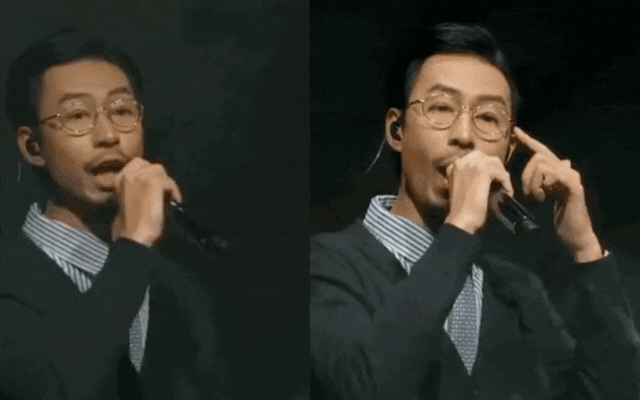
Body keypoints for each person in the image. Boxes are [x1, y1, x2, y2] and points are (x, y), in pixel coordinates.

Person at [310, 23, 640, 399]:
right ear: (397, 130)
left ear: (508, 151)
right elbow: (364, 389)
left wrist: (585, 248)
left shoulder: (515, 288)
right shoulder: (325, 263)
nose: (465, 136)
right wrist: (462, 224)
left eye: (487, 118)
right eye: (441, 108)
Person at [0, 28, 226, 399]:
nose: (108, 135)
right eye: (77, 115)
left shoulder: (179, 288)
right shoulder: (10, 283)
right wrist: (132, 246)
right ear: (32, 147)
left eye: (122, 111)